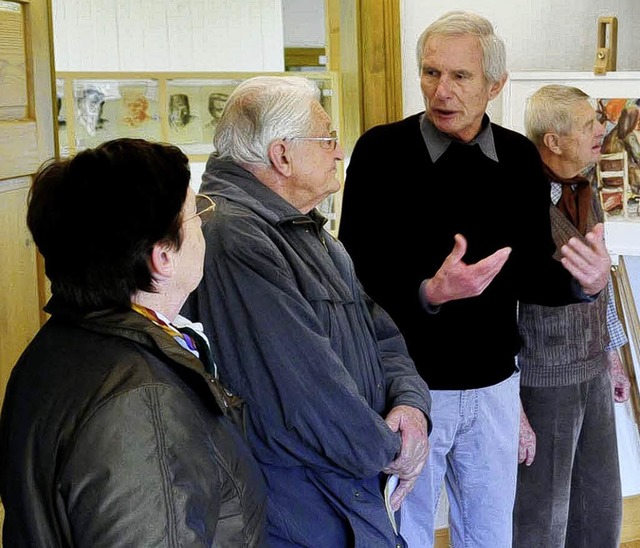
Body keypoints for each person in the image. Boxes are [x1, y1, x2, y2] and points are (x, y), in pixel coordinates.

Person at [338, 10, 612, 548]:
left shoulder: (516, 156)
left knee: (488, 534)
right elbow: (353, 275)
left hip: (495, 386)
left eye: (460, 77)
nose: (441, 91)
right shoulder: (380, 152)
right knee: (404, 534)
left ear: (495, 84)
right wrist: (428, 292)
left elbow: (531, 270)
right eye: (430, 72)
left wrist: (586, 283)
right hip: (409, 388)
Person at [181, 75, 432, 547]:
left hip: (345, 492)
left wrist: (411, 407)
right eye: (328, 139)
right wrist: (394, 450)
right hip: (302, 510)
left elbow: (381, 333)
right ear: (282, 155)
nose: (338, 152)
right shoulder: (234, 236)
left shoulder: (305, 229)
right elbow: (303, 393)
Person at [0, 138, 267, 547]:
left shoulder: (60, 345)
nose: (204, 227)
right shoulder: (142, 403)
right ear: (162, 256)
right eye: (197, 215)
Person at [513, 84, 631, 547]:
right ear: (553, 141)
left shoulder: (587, 187)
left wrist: (613, 354)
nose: (601, 129)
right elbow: (505, 303)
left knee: (600, 507)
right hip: (542, 381)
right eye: (589, 124)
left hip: (593, 371)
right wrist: (512, 400)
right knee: (543, 517)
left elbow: (599, 284)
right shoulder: (519, 203)